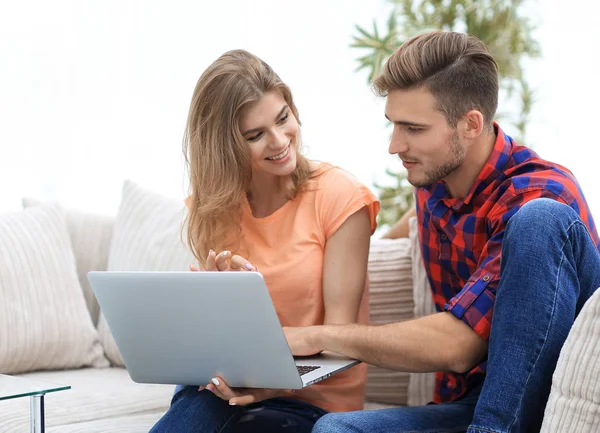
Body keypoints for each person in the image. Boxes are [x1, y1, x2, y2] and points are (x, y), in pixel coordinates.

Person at [283, 31, 600, 433]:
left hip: (550, 396)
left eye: (413, 129)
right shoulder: (433, 184)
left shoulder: (540, 192)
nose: (395, 145)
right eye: (393, 125)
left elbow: (458, 347)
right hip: (473, 404)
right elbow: (405, 231)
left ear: (470, 124)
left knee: (541, 219)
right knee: (335, 430)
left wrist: (320, 336)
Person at [149, 49, 380, 433]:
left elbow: (343, 342)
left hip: (310, 401)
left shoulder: (340, 197)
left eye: (283, 118)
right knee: (199, 401)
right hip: (226, 388)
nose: (279, 141)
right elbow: (217, 342)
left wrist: (272, 383)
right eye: (255, 135)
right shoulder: (212, 209)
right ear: (225, 146)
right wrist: (211, 301)